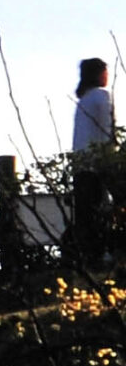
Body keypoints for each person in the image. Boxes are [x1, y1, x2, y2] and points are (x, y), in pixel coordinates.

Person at [73, 58, 116, 272]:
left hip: (80, 165)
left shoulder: (83, 101)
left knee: (84, 215)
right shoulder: (102, 96)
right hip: (98, 163)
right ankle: (103, 254)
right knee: (102, 210)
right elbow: (108, 131)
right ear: (100, 74)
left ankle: (86, 258)